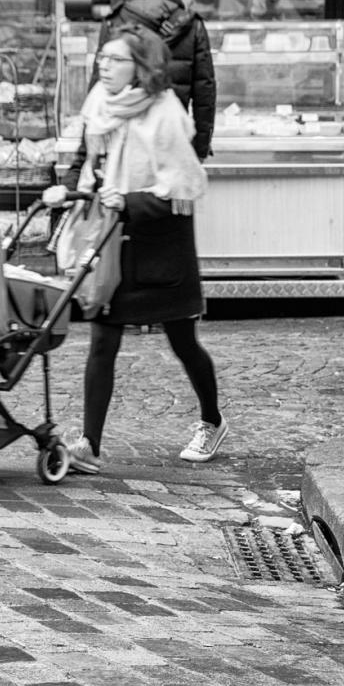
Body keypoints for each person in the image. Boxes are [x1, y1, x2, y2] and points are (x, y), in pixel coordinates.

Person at [42, 28, 227, 472]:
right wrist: (70, 190)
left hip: (162, 243)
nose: (103, 66)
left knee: (184, 341)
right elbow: (90, 160)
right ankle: (90, 443)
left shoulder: (164, 113)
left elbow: (183, 187)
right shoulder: (100, 104)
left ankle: (211, 420)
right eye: (102, 58)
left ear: (141, 69)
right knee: (103, 340)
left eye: (115, 60)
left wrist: (131, 200)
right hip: (113, 237)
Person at [97, 0, 215, 160]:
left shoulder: (115, 19)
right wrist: (200, 148)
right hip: (171, 138)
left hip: (122, 140)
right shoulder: (191, 23)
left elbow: (98, 85)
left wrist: (91, 152)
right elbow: (204, 91)